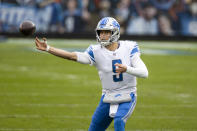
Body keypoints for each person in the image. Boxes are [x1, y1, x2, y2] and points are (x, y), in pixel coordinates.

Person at [35, 17, 148, 131]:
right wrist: (49, 48)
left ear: (115, 32)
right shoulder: (95, 51)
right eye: (101, 32)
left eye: (106, 32)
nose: (102, 35)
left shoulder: (129, 47)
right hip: (107, 96)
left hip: (128, 94)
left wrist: (127, 69)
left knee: (119, 120)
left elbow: (144, 73)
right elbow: (71, 56)